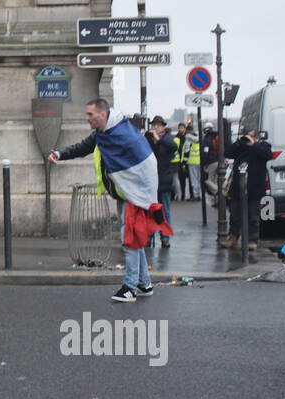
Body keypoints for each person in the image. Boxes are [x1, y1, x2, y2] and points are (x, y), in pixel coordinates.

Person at [48, 99, 170, 302]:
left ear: (103, 115)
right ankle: (144, 283)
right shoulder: (104, 134)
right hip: (125, 191)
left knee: (129, 237)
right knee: (134, 237)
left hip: (135, 192)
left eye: (90, 114)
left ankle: (130, 287)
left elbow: (144, 164)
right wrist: (60, 154)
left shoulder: (122, 134)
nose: (86, 118)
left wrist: (143, 196)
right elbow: (82, 147)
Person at [219, 126, 272, 251]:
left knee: (253, 215)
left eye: (252, 135)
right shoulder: (240, 146)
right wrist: (238, 142)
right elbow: (227, 153)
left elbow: (267, 155)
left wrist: (253, 145)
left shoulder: (263, 146)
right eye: (248, 135)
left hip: (255, 187)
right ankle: (233, 237)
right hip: (238, 186)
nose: (249, 138)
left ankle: (252, 240)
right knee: (234, 215)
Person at [145, 116, 176, 248]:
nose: (155, 127)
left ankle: (165, 237)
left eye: (158, 125)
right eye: (153, 125)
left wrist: (159, 139)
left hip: (164, 180)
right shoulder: (150, 139)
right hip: (152, 180)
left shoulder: (167, 138)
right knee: (151, 211)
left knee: (165, 211)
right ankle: (149, 236)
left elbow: (173, 147)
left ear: (163, 127)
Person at [184, 125, 203, 200]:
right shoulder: (199, 138)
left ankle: (195, 195)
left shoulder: (188, 139)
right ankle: (199, 194)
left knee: (193, 180)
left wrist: (184, 162)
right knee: (198, 179)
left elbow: (186, 150)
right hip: (199, 161)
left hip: (191, 161)